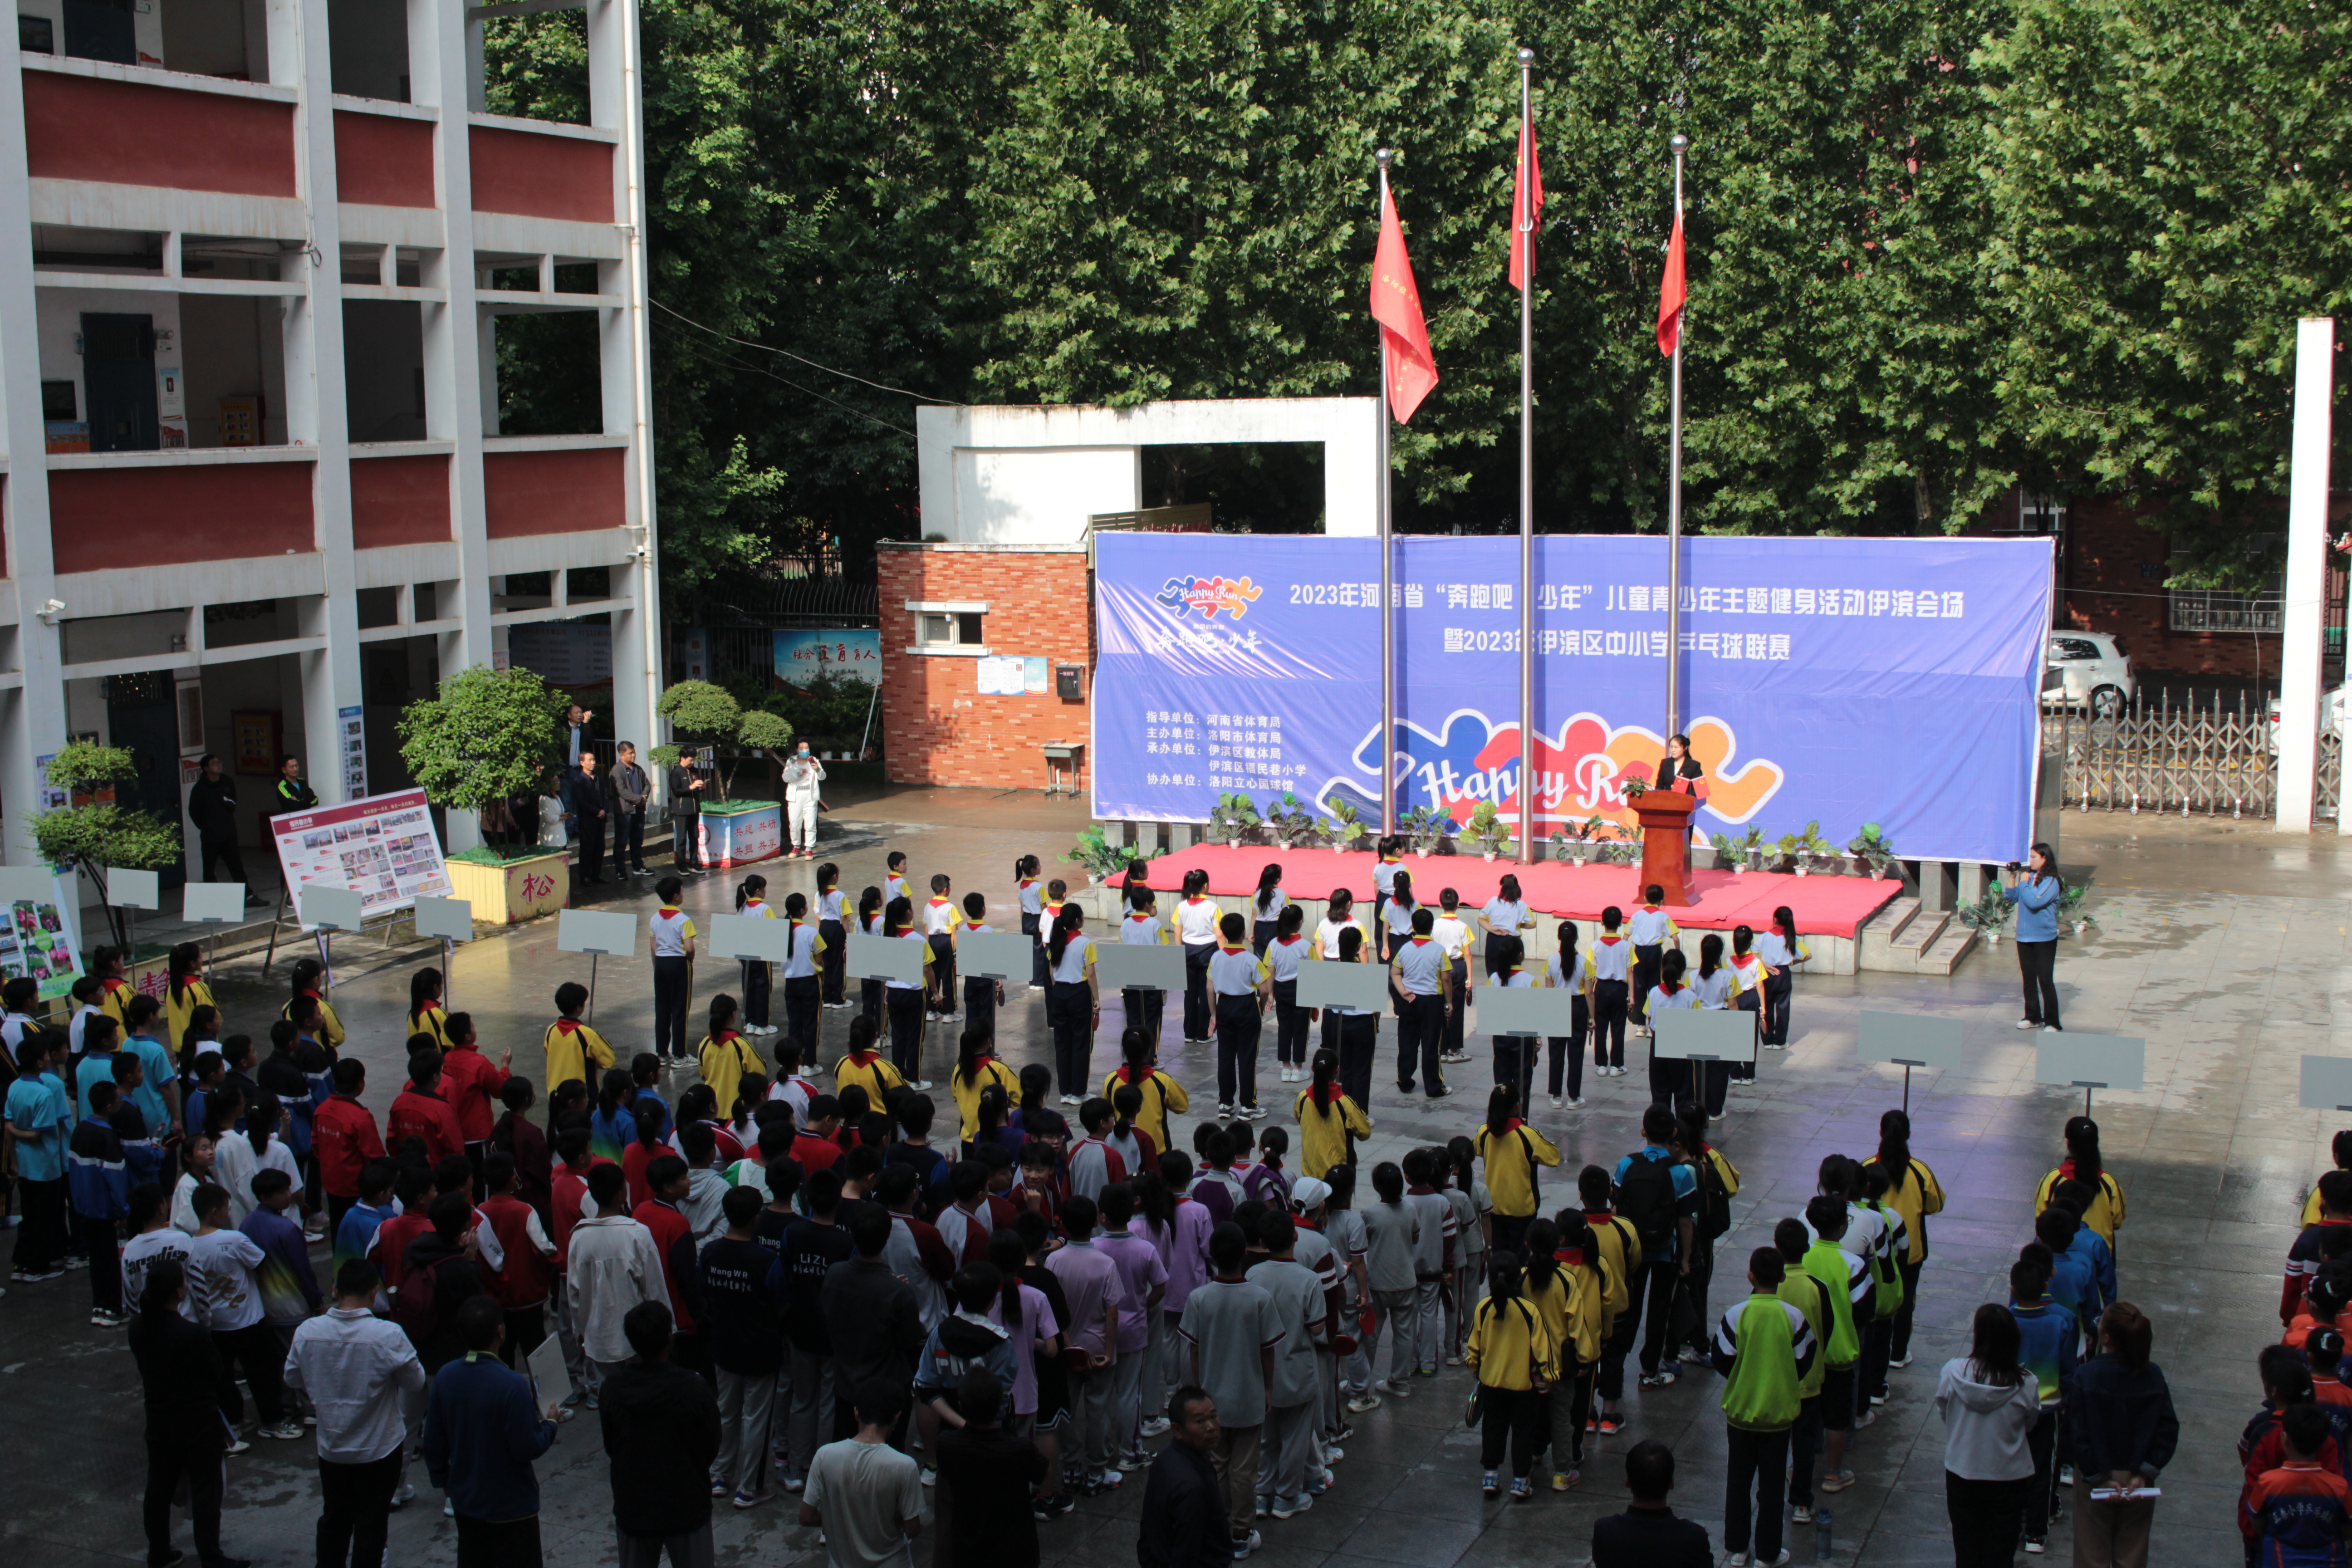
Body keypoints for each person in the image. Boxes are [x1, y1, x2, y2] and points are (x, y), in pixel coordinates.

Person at [285, 1259, 427, 1568]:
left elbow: (292, 1378)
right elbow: (415, 1382)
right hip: (379, 1449)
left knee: (335, 1518)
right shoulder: (388, 1335)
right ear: (373, 1292)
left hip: (332, 1448)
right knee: (372, 1524)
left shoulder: (308, 1332)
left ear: (335, 1290)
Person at [129, 1258, 249, 1568]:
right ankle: (210, 1555)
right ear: (180, 1292)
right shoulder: (192, 1334)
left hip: (159, 1418)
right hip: (198, 1422)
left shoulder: (139, 1327)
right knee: (206, 1490)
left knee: (159, 1486)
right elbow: (214, 1372)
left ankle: (159, 1551)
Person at [424, 1295, 559, 1566]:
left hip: (467, 1503)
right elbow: (527, 1447)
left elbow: (433, 1440)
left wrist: (445, 1482)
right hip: (512, 1507)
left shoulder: (446, 1377)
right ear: (500, 1332)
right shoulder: (512, 1385)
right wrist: (550, 1425)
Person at [1180, 1221, 1281, 1556]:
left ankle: (1218, 1525)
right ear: (1244, 1254)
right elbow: (1268, 1350)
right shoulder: (1259, 1298)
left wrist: (1196, 1389)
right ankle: (1241, 1530)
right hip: (1249, 1398)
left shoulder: (1199, 1298)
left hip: (1212, 1399)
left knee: (1216, 1465)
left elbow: (1193, 1349)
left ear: (1212, 1255)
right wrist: (1268, 1389)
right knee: (1245, 1470)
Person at [1710, 1246, 1815, 1568]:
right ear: (1782, 1277)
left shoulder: (1736, 1314)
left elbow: (1721, 1358)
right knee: (1771, 1489)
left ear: (1750, 1276)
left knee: (1738, 1483)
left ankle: (1738, 1549)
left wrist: (1744, 1378)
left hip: (1741, 1416)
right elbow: (1805, 1360)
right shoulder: (1793, 1317)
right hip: (1778, 1417)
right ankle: (1768, 1554)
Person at [602, 1300, 724, 1568]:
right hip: (686, 1505)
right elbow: (711, 1442)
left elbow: (612, 1445)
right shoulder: (694, 1388)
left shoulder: (612, 1389)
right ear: (669, 1337)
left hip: (635, 1508)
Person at [2068, 1302, 2178, 1568]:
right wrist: (2145, 1472)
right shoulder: (2153, 1375)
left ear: (2106, 1338)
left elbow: (2078, 1432)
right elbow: (2168, 1428)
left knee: (2091, 1553)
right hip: (2137, 1479)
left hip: (2096, 1477)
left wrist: (2097, 1475)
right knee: (2133, 1553)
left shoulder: (2087, 1375)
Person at [1934, 1301, 2043, 1568]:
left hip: (1963, 1471)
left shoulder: (1953, 1372)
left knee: (1967, 1547)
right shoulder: (2026, 1383)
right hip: (2009, 1476)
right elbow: (2030, 1423)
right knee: (2001, 1551)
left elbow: (1944, 1411)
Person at [700, 1185, 783, 1508]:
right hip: (761, 1349)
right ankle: (750, 1486)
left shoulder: (710, 1253)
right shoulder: (767, 1260)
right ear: (756, 1218)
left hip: (724, 1345)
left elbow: (705, 1296)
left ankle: (720, 1475)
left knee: (727, 1412)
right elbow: (781, 1304)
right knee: (757, 1418)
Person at [1613, 1105, 1699, 1391]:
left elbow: (1615, 1210)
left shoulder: (1627, 1164)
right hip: (1665, 1252)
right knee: (1659, 1311)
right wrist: (1685, 1258)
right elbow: (1685, 1222)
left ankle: (1614, 1364)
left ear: (1643, 1131)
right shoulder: (1681, 1173)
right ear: (1674, 1133)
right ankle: (1650, 1371)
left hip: (1632, 1253)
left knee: (1629, 1309)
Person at [823, 1203, 929, 1431]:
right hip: (886, 1393)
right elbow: (912, 1339)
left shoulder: (834, 1274)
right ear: (886, 1236)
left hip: (846, 1385)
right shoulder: (898, 1292)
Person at [568, 1163, 668, 1402]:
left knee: (610, 1398)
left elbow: (575, 1295)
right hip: (638, 1339)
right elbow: (655, 1288)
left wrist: (581, 1333)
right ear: (622, 1194)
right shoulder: (637, 1234)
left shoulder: (580, 1238)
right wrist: (666, 1330)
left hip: (599, 1336)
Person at [801, 1381, 924, 1567]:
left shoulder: (825, 1456)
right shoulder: (904, 1466)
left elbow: (806, 1517)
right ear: (897, 1418)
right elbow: (913, 1528)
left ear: (857, 1412)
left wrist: (839, 1521)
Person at [1466, 1249, 1555, 1501]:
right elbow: (1542, 1349)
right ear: (1519, 1279)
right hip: (1523, 1386)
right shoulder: (1530, 1310)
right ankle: (1520, 1481)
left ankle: (1491, 1477)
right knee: (1523, 1431)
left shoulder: (1484, 1307)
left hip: (1491, 1383)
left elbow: (1474, 1344)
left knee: (1493, 1428)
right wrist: (1547, 1375)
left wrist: (1474, 1366)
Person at [934, 1366, 1044, 1568]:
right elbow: (1042, 1474)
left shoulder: (948, 1444)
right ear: (1001, 1404)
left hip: (969, 1548)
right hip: (1015, 1551)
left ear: (961, 1406)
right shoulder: (1020, 1449)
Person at [1139, 1387, 1244, 1568]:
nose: (1211, 1427)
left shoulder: (1167, 1456)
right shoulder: (1192, 1489)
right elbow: (1186, 1554)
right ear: (1177, 1430)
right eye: (1200, 1421)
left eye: (1213, 1417)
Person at [2248, 1404, 2352, 1568]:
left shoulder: (2268, 1483)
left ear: (2285, 1438)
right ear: (2324, 1442)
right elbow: (2347, 1531)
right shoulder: (2339, 1487)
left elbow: (2257, 1523)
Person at [6, 1029, 70, 1282]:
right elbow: (37, 1134)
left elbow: (9, 1128)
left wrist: (14, 1162)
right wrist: (18, 1130)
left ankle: (23, 1264)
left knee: (30, 1215)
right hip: (45, 1166)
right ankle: (38, 1266)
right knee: (45, 1217)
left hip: (24, 1164)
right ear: (40, 1062)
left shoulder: (15, 1086)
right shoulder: (43, 1093)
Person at [1475, 1084, 1559, 1258]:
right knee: (1520, 1259)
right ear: (1517, 1107)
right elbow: (1554, 1157)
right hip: (1522, 1208)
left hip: (1493, 1205)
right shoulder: (1528, 1135)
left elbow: (1477, 1149)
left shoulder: (1484, 1132)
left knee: (1499, 1256)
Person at [1388, 907, 1453, 1101]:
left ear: (1413, 927)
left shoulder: (1405, 949)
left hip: (1409, 1001)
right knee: (1431, 1045)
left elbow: (1395, 973)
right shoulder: (1439, 950)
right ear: (1431, 928)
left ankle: (1405, 1081)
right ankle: (1433, 1086)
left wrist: (1402, 992)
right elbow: (1447, 979)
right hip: (1432, 1003)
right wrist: (1449, 1003)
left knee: (1407, 1042)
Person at [2035, 1115, 2126, 1248]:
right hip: (2098, 1258)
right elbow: (2117, 1221)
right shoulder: (2109, 1183)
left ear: (2068, 1142)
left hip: (2059, 1258)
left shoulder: (2051, 1180)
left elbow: (2041, 1219)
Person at [2002, 842, 2065, 1032]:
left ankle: (2053, 1022)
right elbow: (2011, 897)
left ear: (2045, 859)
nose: (2031, 861)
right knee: (2028, 978)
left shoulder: (2051, 882)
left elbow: (2034, 902)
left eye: (2034, 857)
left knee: (2045, 979)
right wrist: (2013, 876)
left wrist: (2024, 883)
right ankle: (2033, 1017)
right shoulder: (2028, 879)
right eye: (2030, 857)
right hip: (2024, 937)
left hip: (2044, 938)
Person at [187, 753, 260, 897]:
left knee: (237, 867)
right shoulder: (200, 788)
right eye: (214, 763)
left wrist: (225, 802)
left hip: (228, 834)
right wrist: (206, 827)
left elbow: (233, 803)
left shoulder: (227, 782)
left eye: (219, 762)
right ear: (206, 768)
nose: (219, 765)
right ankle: (213, 898)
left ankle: (248, 896)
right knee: (209, 869)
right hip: (210, 837)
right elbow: (194, 812)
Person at [650, 879, 698, 1064]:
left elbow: (653, 948)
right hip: (679, 964)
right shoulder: (683, 920)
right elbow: (690, 948)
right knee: (680, 1009)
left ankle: (662, 1053)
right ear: (676, 897)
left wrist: (657, 968)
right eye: (682, 892)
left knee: (662, 1009)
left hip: (661, 964)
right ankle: (680, 1055)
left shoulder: (655, 918)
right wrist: (689, 961)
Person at [1588, 906, 1632, 1076]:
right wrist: (1632, 996)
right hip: (1619, 989)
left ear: (1602, 922)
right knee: (1619, 1027)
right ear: (1621, 924)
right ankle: (1617, 1065)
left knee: (1600, 1026)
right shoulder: (1626, 946)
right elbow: (1630, 972)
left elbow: (1591, 974)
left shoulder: (1595, 946)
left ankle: (1601, 1065)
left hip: (1601, 988)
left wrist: (1590, 995)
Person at [607, 740, 653, 878]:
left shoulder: (638, 769)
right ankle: (620, 869)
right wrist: (639, 799)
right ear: (622, 754)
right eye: (630, 753)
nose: (633, 756)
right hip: (625, 812)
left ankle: (638, 866)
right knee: (621, 841)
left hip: (638, 811)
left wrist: (644, 796)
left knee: (637, 840)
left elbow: (647, 784)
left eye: (634, 752)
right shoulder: (617, 770)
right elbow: (622, 791)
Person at [782, 739, 826, 859]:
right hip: (795, 797)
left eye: (806, 748)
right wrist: (798, 774)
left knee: (810, 824)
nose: (804, 750)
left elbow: (823, 777)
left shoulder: (814, 761)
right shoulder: (792, 761)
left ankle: (809, 849)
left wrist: (817, 769)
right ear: (797, 750)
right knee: (795, 824)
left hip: (810, 796)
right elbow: (786, 778)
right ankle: (796, 847)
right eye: (801, 748)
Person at [667, 751, 706, 873]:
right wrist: (692, 787)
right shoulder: (676, 773)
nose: (692, 762)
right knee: (682, 838)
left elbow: (696, 789)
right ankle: (681, 865)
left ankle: (694, 863)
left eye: (694, 760)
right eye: (690, 760)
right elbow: (677, 791)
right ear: (682, 758)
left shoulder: (694, 771)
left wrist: (701, 787)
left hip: (694, 809)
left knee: (695, 836)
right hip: (681, 810)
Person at [273, 753, 318, 817]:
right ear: (284, 770)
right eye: (292, 767)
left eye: (296, 766)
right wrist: (306, 801)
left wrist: (300, 801)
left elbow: (315, 800)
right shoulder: (283, 786)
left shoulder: (303, 782)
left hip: (307, 818)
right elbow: (295, 806)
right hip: (292, 821)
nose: (295, 769)